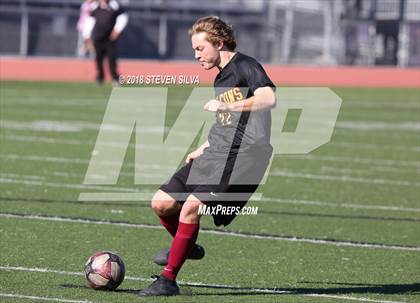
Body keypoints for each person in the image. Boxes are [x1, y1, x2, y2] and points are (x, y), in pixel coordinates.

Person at [139, 16, 276, 296]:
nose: (196, 55)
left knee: (190, 207)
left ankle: (168, 280)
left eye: (200, 49)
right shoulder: (221, 76)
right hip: (217, 151)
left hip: (242, 157)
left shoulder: (246, 66)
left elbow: (269, 98)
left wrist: (233, 105)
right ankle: (187, 245)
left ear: (219, 43)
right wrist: (203, 146)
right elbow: (227, 121)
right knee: (162, 203)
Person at [83, 0, 128, 84]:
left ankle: (115, 78)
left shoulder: (115, 5)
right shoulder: (94, 6)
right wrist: (86, 36)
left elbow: (123, 17)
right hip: (98, 37)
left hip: (110, 38)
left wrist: (117, 30)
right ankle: (100, 77)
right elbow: (89, 21)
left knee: (112, 58)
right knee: (98, 58)